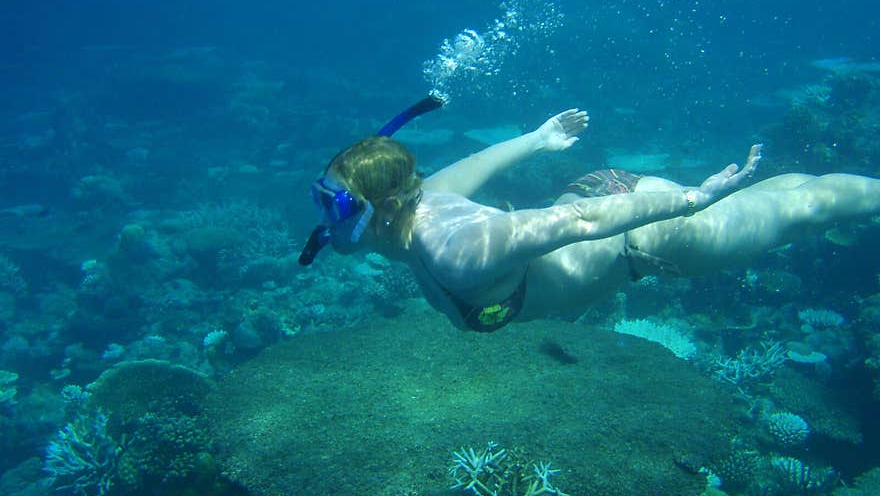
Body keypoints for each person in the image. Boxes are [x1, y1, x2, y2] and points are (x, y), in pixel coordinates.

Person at [304, 107, 880, 332]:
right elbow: (475, 162)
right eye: (322, 199)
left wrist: (694, 200)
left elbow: (580, 222)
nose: (327, 219)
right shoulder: (420, 200)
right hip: (614, 206)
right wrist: (536, 139)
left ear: (383, 209)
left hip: (642, 234)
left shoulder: (456, 249)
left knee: (807, 210)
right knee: (782, 202)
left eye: (339, 206)